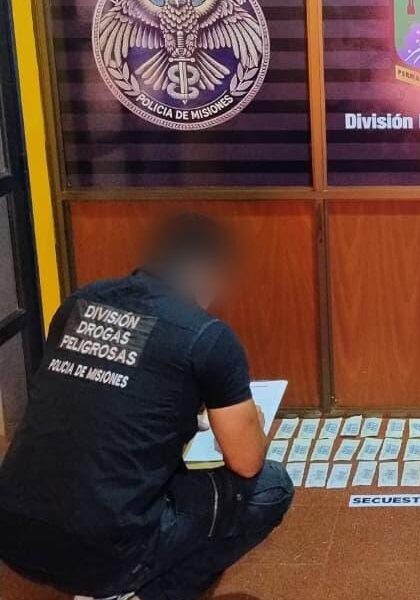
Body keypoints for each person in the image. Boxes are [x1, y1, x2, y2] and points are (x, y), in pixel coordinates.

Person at [0, 214, 293, 600]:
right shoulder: (207, 335)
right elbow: (247, 463)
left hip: (13, 536)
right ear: (209, 272)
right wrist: (253, 419)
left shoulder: (78, 303)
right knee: (270, 487)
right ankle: (140, 591)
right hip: (107, 551)